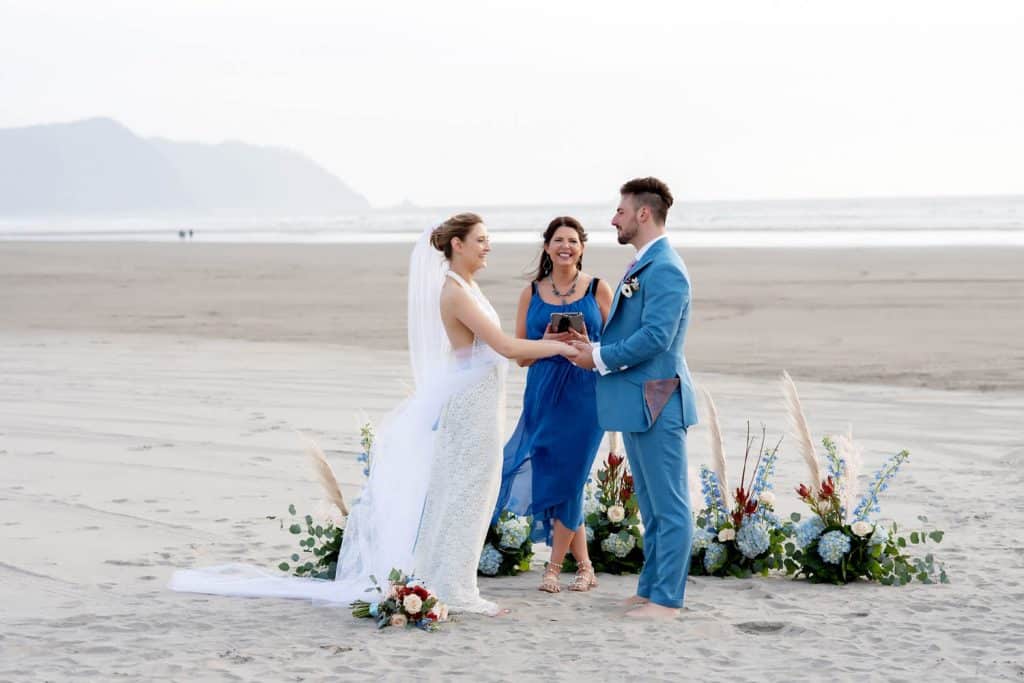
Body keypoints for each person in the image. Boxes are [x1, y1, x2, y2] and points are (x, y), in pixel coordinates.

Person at [169, 213, 576, 617]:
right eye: (481, 239)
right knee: (466, 496)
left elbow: (497, 346)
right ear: (458, 244)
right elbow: (503, 347)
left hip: (483, 404)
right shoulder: (454, 292)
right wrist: (557, 349)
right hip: (471, 407)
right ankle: (456, 589)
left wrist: (544, 342)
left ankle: (452, 581)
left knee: (473, 494)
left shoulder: (468, 285)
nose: (488, 246)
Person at [570, 177, 699, 619]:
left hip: (660, 399)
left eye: (621, 212)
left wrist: (599, 357)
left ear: (643, 214)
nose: (614, 219)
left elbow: (657, 339)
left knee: (671, 505)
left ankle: (667, 600)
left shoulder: (665, 267)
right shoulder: (644, 262)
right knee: (651, 506)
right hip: (640, 400)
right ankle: (649, 589)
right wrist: (591, 346)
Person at [492, 216, 613, 593]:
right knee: (554, 475)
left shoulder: (598, 288)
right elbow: (521, 356)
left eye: (573, 240)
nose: (566, 246)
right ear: (547, 247)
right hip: (543, 392)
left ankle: (554, 566)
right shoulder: (531, 292)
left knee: (572, 476)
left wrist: (585, 342)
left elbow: (616, 348)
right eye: (558, 240)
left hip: (585, 394)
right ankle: (586, 567)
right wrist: (545, 339)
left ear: (582, 247)